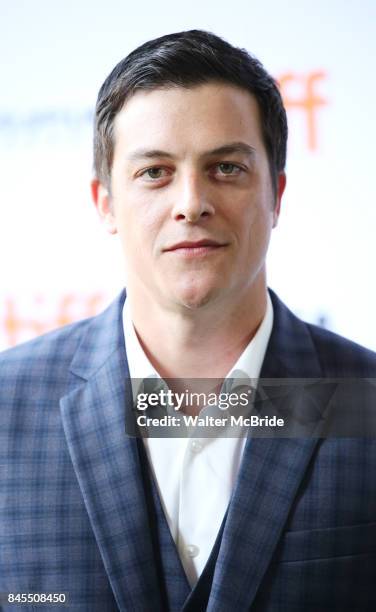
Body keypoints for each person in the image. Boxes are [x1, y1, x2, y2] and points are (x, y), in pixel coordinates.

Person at [1, 29, 375, 612]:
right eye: (154, 171)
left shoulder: (368, 400)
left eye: (226, 168)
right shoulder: (6, 404)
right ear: (105, 203)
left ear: (276, 195)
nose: (190, 202)